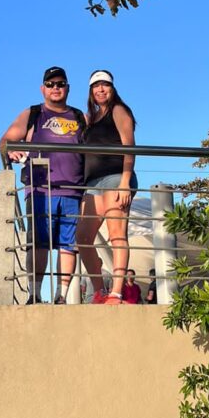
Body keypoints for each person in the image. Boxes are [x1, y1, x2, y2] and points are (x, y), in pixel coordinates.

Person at [0, 66, 85, 303]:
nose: (55, 88)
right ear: (42, 88)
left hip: (73, 190)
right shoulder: (33, 113)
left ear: (67, 87)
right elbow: (5, 140)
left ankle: (62, 295)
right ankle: (34, 294)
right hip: (39, 190)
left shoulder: (80, 117)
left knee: (68, 244)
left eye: (60, 84)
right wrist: (13, 150)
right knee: (38, 243)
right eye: (50, 84)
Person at [77, 70, 137, 305]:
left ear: (112, 88)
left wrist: (125, 182)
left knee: (116, 235)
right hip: (93, 183)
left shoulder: (119, 110)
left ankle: (117, 292)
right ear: (91, 91)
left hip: (115, 178)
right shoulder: (90, 119)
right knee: (82, 237)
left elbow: (129, 147)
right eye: (96, 86)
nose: (101, 89)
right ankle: (99, 289)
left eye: (105, 85)